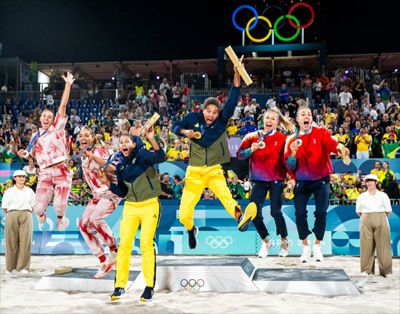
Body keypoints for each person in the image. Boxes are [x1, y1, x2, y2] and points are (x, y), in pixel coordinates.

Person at [171, 56, 256, 250]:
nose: (211, 114)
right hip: (193, 172)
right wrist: (185, 132)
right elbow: (174, 126)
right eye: (208, 111)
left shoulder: (221, 122)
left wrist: (236, 72)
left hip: (214, 170)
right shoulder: (192, 117)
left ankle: (240, 217)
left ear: (219, 114)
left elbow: (233, 96)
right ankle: (192, 229)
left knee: (226, 196)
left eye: (215, 112)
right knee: (184, 214)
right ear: (203, 111)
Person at [99, 129, 165, 302]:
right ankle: (119, 287)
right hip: (130, 206)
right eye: (121, 142)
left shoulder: (143, 155)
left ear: (134, 144)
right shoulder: (120, 165)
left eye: (127, 141)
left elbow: (160, 158)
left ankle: (149, 287)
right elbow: (122, 190)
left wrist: (151, 139)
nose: (123, 144)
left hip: (150, 204)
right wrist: (108, 183)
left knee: (145, 244)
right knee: (125, 246)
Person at [284, 106, 349, 263]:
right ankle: (305, 247)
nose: (306, 116)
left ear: (311, 119)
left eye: (309, 114)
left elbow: (331, 143)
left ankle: (317, 246)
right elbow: (290, 166)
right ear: (297, 120)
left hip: (321, 180)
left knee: (321, 212)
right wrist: (292, 154)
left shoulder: (320, 133)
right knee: (299, 213)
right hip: (302, 182)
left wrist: (340, 148)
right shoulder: (291, 140)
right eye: (302, 114)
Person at [17, 72, 74, 231]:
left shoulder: (57, 127)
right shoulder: (35, 135)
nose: (47, 117)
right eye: (45, 115)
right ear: (40, 118)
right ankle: (43, 216)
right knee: (38, 208)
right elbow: (33, 155)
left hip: (61, 170)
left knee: (60, 205)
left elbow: (62, 105)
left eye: (50, 116)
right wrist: (24, 154)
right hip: (44, 173)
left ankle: (62, 218)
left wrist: (68, 85)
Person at [237, 108, 295, 258]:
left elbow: (288, 160)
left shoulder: (283, 139)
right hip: (258, 180)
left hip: (277, 179)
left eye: (272, 119)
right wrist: (250, 150)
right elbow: (239, 155)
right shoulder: (251, 137)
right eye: (267, 118)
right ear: (263, 120)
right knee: (254, 214)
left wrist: (292, 178)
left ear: (277, 122)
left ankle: (284, 241)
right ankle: (266, 242)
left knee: (275, 212)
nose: (269, 121)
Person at [78, 126, 123, 279]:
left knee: (95, 219)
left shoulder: (98, 151)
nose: (83, 137)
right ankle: (104, 260)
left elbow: (113, 169)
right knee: (83, 225)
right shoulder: (83, 154)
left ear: (93, 138)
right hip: (97, 194)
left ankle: (114, 250)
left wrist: (95, 158)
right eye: (81, 135)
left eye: (86, 135)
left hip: (110, 191)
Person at [356, 174, 392, 277]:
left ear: (376, 182)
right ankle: (366, 270)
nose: (369, 183)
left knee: (383, 245)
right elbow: (359, 211)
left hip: (381, 218)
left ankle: (386, 271)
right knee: (366, 245)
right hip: (365, 219)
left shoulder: (383, 195)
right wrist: (367, 218)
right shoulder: (362, 196)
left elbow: (388, 211)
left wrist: (379, 218)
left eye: (371, 181)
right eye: (367, 181)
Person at [2, 170, 35, 274]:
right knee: (11, 241)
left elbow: (32, 205)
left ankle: (23, 267)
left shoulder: (29, 191)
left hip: (26, 214)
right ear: (14, 178)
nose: (21, 178)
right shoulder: (9, 191)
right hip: (12, 214)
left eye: (23, 177)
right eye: (19, 176)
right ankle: (10, 267)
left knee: (25, 242)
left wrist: (26, 212)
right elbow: (5, 207)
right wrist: (14, 213)